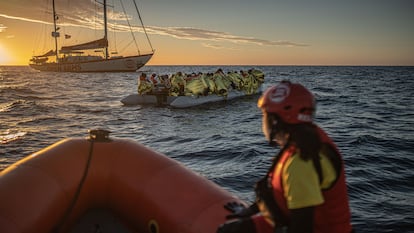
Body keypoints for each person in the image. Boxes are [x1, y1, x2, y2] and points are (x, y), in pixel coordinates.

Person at [217, 80, 353, 233]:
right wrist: (250, 211)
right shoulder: (306, 140)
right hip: (287, 220)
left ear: (274, 121)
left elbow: (303, 227)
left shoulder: (300, 163)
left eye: (264, 115)